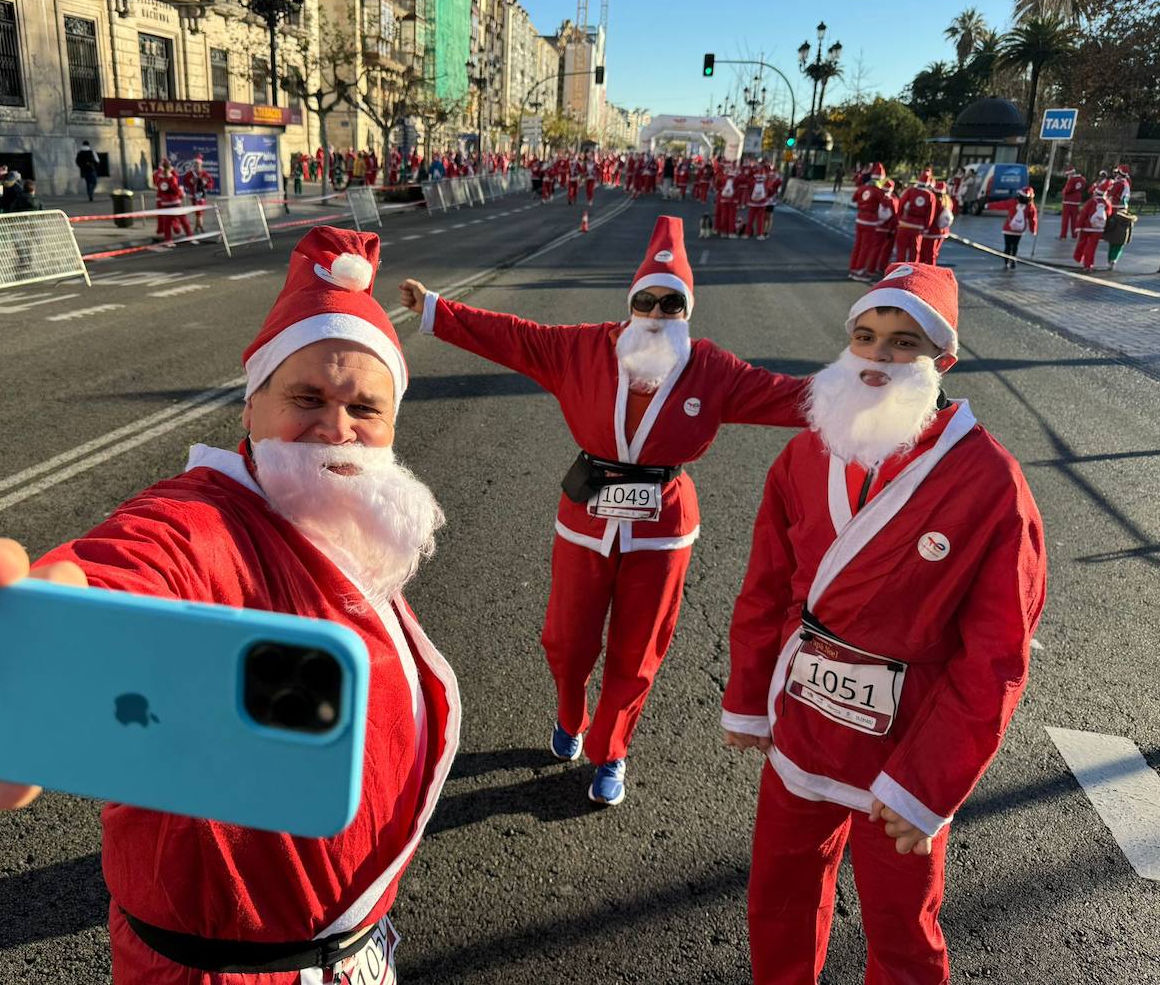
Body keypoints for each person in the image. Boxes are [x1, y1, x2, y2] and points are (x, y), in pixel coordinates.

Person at [0, 225, 459, 984]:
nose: (337, 430)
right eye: (306, 396)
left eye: (365, 409)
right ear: (251, 409)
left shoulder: (354, 529)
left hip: (348, 952)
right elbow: (118, 574)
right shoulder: (202, 522)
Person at [398, 216, 807, 806]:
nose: (659, 314)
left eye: (673, 304)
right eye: (648, 301)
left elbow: (788, 395)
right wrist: (438, 309)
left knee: (638, 650)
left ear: (686, 312)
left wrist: (871, 390)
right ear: (631, 303)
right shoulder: (585, 347)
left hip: (662, 528)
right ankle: (570, 712)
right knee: (566, 639)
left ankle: (611, 750)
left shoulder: (712, 368)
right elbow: (515, 336)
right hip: (587, 512)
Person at [722, 261, 1046, 985]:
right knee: (778, 897)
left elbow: (996, 655)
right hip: (803, 719)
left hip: (905, 744)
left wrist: (929, 782)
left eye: (904, 342)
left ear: (943, 361)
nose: (878, 356)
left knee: (903, 927)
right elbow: (766, 586)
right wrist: (748, 695)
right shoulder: (805, 451)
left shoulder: (991, 482)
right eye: (866, 336)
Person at [987, 186, 1037, 270]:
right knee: (1015, 246)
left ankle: (1006, 262)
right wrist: (1033, 230)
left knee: (1007, 246)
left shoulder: (1013, 202)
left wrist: (988, 206)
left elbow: (1000, 205)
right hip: (1019, 230)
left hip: (1008, 229)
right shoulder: (1030, 206)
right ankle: (1013, 260)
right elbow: (1033, 219)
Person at [848, 173, 886, 280]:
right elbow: (885, 205)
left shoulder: (862, 188)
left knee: (858, 245)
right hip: (870, 221)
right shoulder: (878, 191)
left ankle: (853, 268)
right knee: (866, 247)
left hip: (860, 218)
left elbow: (854, 199)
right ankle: (859, 271)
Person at [892, 181, 934, 263]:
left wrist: (899, 218)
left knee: (901, 249)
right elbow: (930, 214)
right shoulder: (930, 196)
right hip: (918, 227)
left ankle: (899, 270)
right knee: (914, 252)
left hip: (904, 224)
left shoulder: (910, 191)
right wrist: (926, 227)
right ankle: (912, 271)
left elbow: (901, 204)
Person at [1073, 187, 1111, 272]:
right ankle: (1088, 265)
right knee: (1092, 247)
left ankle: (1079, 258)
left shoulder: (1091, 201)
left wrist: (1078, 226)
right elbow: (1108, 214)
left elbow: (1083, 214)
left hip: (1087, 227)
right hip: (1099, 229)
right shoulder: (1107, 203)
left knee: (1082, 243)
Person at [919, 181, 956, 266]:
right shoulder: (948, 201)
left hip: (931, 232)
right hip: (942, 232)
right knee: (934, 253)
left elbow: (930, 216)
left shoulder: (934, 201)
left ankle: (927, 272)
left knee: (926, 254)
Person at [181, 154, 215, 234]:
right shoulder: (191, 174)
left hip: (201, 194)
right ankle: (199, 227)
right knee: (198, 212)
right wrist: (191, 182)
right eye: (195, 164)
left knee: (199, 212)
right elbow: (185, 182)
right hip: (194, 195)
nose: (197, 166)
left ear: (201, 164)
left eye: (198, 164)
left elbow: (210, 184)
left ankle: (198, 227)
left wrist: (205, 183)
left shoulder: (205, 174)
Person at [1103, 205, 1135, 271]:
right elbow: (1131, 230)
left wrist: (1105, 234)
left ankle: (1109, 261)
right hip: (1123, 237)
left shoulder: (1114, 217)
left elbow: (1110, 226)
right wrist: (1129, 238)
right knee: (1118, 249)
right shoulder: (1130, 218)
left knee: (1111, 248)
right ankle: (1114, 260)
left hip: (1113, 235)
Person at [1059, 165, 1085, 239]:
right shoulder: (1082, 179)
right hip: (1076, 201)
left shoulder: (1071, 180)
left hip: (1068, 202)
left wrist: (1063, 192)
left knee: (1065, 220)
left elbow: (1068, 190)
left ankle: (1063, 235)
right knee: (1074, 220)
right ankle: (1074, 235)